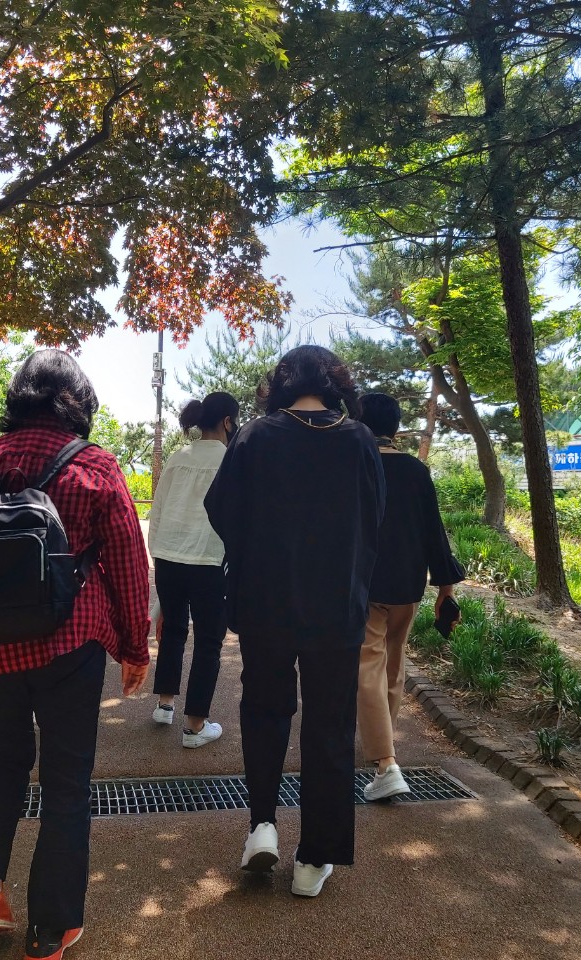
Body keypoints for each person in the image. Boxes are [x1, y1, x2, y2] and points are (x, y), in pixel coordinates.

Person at [0, 350, 149, 960]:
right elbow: (128, 563)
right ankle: (49, 932)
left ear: (18, 398)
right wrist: (134, 647)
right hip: (68, 644)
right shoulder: (94, 467)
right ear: (78, 403)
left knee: (3, 758)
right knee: (66, 783)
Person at [204, 345, 384, 899]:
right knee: (329, 726)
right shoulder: (358, 439)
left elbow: (220, 508)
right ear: (335, 382)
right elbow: (374, 516)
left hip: (266, 602)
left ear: (281, 383)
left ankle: (262, 825)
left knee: (264, 711)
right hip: (336, 608)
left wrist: (258, 545)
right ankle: (314, 859)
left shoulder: (255, 436)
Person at [355, 393, 464, 801]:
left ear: (359, 425)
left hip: (364, 584)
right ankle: (384, 746)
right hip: (407, 584)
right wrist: (446, 589)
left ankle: (386, 763)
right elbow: (434, 531)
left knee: (367, 664)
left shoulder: (356, 466)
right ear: (396, 428)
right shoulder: (416, 470)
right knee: (393, 664)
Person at [146, 392, 239, 748]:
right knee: (209, 642)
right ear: (227, 421)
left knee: (172, 630)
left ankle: (164, 704)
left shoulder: (178, 457)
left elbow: (158, 509)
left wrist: (157, 553)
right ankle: (195, 726)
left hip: (168, 557)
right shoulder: (232, 460)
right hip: (210, 560)